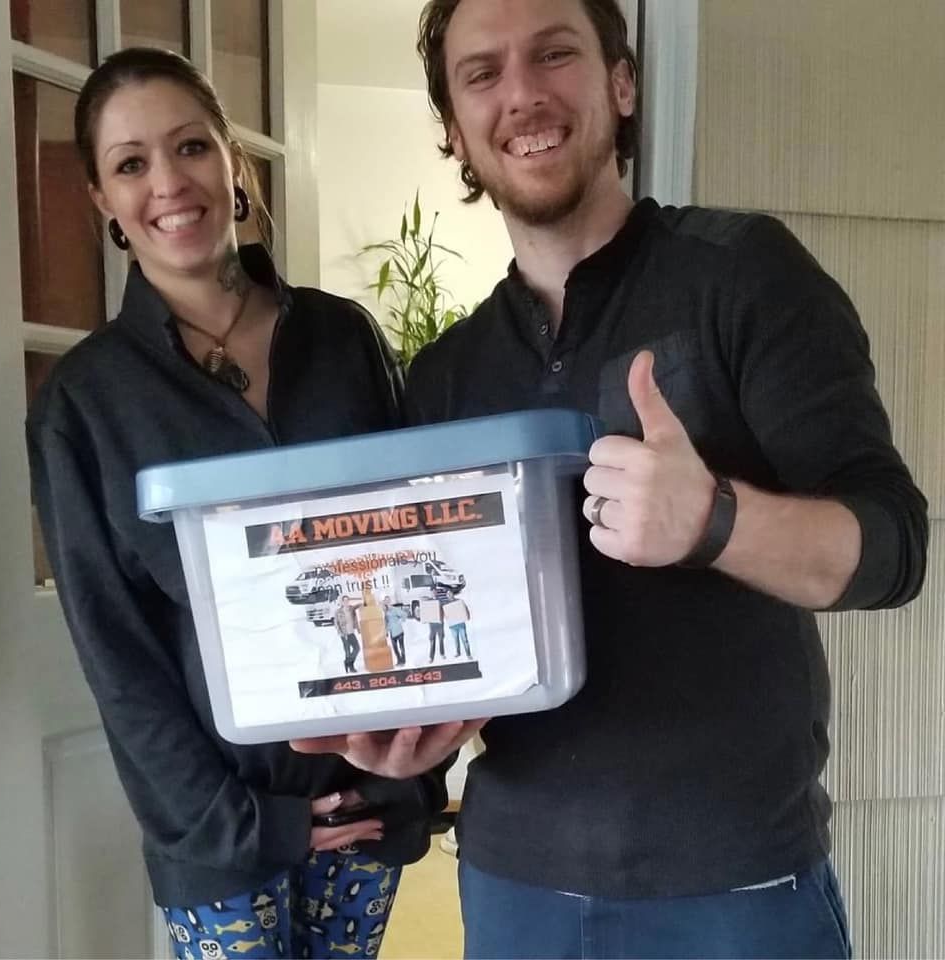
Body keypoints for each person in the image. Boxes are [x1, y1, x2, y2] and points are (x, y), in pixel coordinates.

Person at [291, 2, 929, 958]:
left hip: (736, 887)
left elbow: (893, 550)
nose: (522, 94)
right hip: (515, 888)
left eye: (554, 54)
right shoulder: (447, 374)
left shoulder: (743, 274)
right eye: (482, 74)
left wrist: (714, 519)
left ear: (621, 83)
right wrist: (417, 732)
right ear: (454, 129)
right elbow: (453, 624)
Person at [25, 47, 470, 960]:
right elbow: (116, 649)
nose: (168, 183)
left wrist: (415, 766)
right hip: (220, 830)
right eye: (131, 163)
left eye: (190, 146)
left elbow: (416, 552)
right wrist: (232, 822)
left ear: (233, 161)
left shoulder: (344, 339)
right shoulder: (86, 400)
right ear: (102, 199)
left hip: (368, 794)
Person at [335, 594, 361, 673]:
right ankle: (351, 667)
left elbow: (359, 605)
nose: (346, 602)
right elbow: (336, 623)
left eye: (347, 600)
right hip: (344, 633)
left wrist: (365, 601)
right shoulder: (338, 611)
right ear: (342, 602)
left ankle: (347, 662)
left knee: (357, 648)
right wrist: (341, 633)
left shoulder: (351, 608)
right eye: (345, 600)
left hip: (351, 632)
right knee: (347, 650)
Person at [383, 596, 408, 666]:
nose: (387, 602)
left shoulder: (395, 609)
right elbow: (386, 623)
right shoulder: (385, 612)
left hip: (399, 631)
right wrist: (386, 631)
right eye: (386, 600)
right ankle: (399, 661)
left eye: (388, 600)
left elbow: (404, 614)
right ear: (385, 602)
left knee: (401, 647)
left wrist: (400, 621)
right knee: (395, 648)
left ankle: (403, 661)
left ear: (390, 601)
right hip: (392, 633)